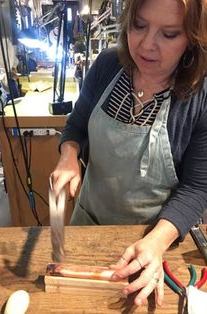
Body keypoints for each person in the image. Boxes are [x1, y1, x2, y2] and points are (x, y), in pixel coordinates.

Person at [51, 0, 207, 306]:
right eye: (139, 26)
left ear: (193, 36)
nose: (148, 45)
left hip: (152, 238)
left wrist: (156, 242)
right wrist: (68, 154)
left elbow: (197, 187)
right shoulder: (108, 65)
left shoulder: (200, 95)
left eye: (170, 33)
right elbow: (77, 123)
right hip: (88, 224)